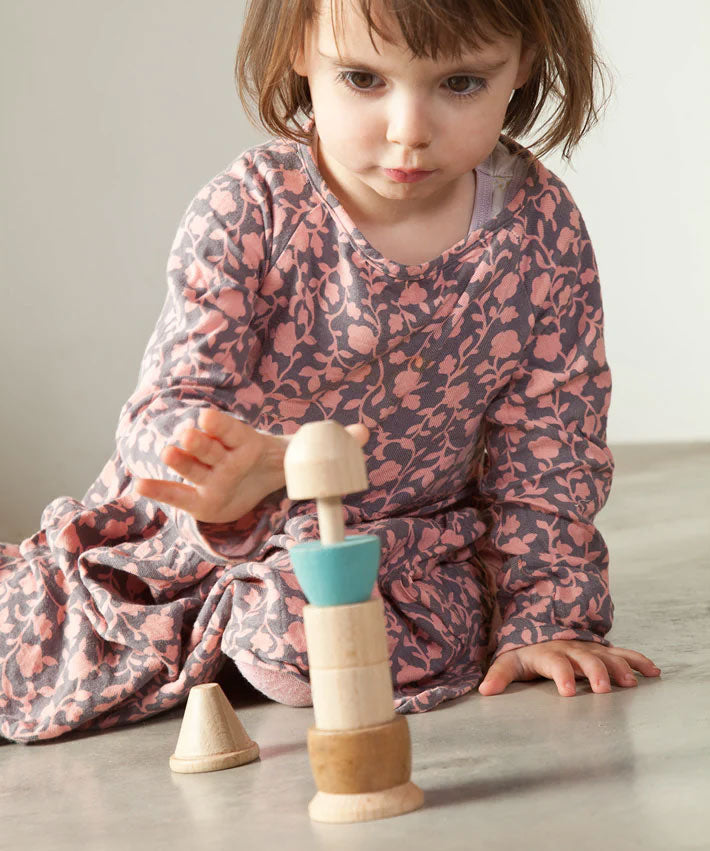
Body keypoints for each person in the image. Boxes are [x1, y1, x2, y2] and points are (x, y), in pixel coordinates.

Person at [0, 0, 660, 744]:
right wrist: (220, 472)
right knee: (31, 637)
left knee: (325, 626)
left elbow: (552, 448)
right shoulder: (251, 209)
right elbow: (165, 407)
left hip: (395, 545)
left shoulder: (540, 230)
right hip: (198, 535)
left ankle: (251, 632)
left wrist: (548, 618)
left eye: (462, 84)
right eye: (363, 79)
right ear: (299, 52)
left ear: (525, 64)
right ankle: (211, 620)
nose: (409, 129)